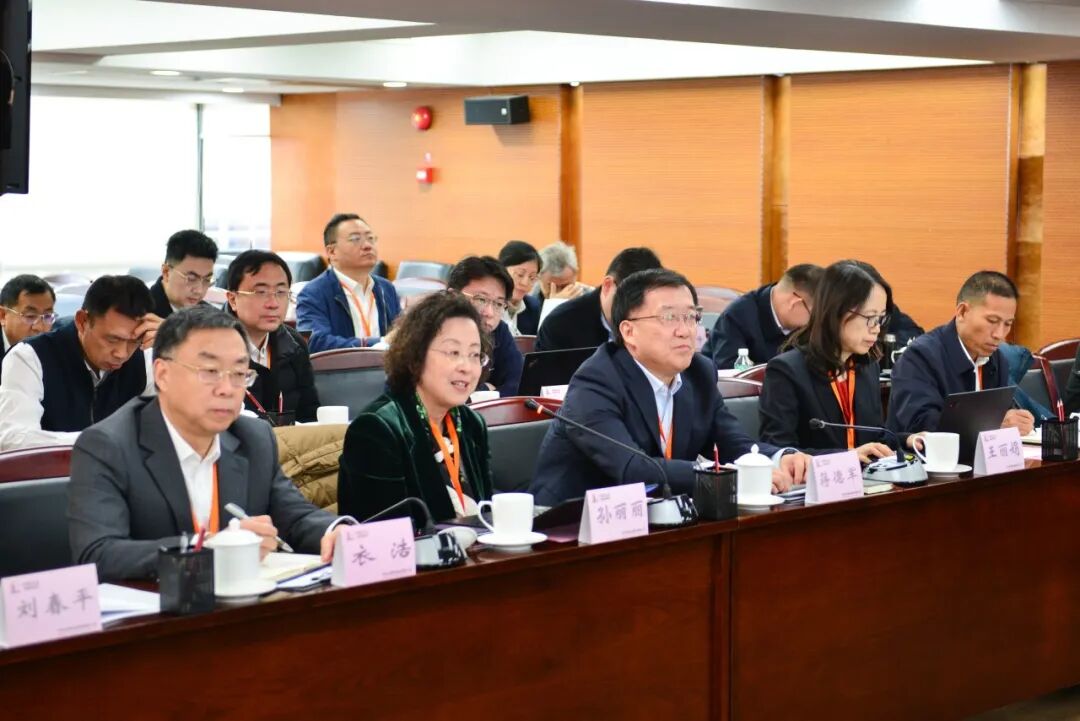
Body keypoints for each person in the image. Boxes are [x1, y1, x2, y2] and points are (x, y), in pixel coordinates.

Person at [67, 306, 353, 581]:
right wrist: (208, 548)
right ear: (162, 374)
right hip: (160, 606)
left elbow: (296, 518)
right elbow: (99, 554)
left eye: (239, 373)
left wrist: (337, 531)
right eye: (210, 371)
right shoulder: (107, 445)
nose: (227, 389)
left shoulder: (253, 437)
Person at [529, 269, 810, 506]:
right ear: (628, 331)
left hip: (658, 515)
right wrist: (729, 476)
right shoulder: (595, 382)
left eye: (691, 317)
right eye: (669, 318)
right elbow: (633, 469)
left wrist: (778, 458)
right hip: (569, 524)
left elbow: (732, 443)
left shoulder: (698, 373)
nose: (685, 330)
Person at [337, 292, 494, 525]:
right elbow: (386, 532)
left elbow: (487, 511)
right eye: (453, 353)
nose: (467, 367)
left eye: (474, 355)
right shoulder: (377, 429)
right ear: (415, 356)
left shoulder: (471, 423)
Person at [759, 260, 922, 461]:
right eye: (870, 318)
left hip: (867, 477)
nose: (876, 329)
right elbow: (779, 451)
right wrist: (846, 457)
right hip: (816, 479)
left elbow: (874, 438)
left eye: (881, 318)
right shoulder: (786, 371)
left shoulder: (867, 367)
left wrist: (908, 440)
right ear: (836, 312)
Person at [0, 275, 160, 451]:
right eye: (112, 339)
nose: (122, 354)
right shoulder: (29, 357)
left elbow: (175, 429)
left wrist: (174, 345)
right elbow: (14, 439)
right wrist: (102, 440)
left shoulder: (146, 356)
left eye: (134, 341)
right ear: (82, 321)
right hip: (54, 468)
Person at [887, 270, 1035, 436]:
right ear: (962, 312)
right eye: (992, 321)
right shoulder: (919, 357)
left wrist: (1017, 422)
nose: (999, 334)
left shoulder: (997, 359)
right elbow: (923, 425)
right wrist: (991, 423)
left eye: (1007, 324)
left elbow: (1004, 416)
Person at [225, 250, 319, 423]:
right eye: (261, 292)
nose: (273, 304)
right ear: (232, 299)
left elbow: (309, 414)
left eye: (281, 292)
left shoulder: (294, 344)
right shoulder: (212, 347)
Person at [297, 213, 401, 353]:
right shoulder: (314, 293)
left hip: (385, 366)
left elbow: (401, 333)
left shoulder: (386, 288)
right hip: (341, 367)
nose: (367, 245)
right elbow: (315, 342)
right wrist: (379, 343)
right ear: (332, 252)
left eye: (370, 238)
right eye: (355, 239)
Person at [534, 247, 662, 352]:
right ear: (607, 286)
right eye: (631, 301)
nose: (637, 313)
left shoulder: (660, 322)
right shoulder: (560, 324)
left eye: (646, 304)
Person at [703, 264, 821, 370]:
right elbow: (729, 370)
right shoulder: (738, 315)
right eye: (815, 314)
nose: (817, 321)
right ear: (794, 303)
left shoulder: (805, 321)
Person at [446, 255, 523, 397]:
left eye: (498, 304)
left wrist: (482, 394)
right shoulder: (432, 333)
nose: (489, 313)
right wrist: (487, 390)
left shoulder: (499, 331)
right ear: (453, 296)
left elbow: (518, 384)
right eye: (481, 300)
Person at [149, 229, 219, 318]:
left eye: (207, 280)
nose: (199, 291)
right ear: (166, 272)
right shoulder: (140, 314)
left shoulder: (212, 317)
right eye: (191, 278)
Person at [0, 274, 56, 378]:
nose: (40, 327)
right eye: (30, 316)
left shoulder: (59, 343)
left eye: (47, 316)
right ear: (3, 316)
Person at [498, 240, 542, 336]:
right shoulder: (487, 306)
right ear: (501, 270)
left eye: (532, 277)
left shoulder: (533, 308)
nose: (525, 283)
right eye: (520, 274)